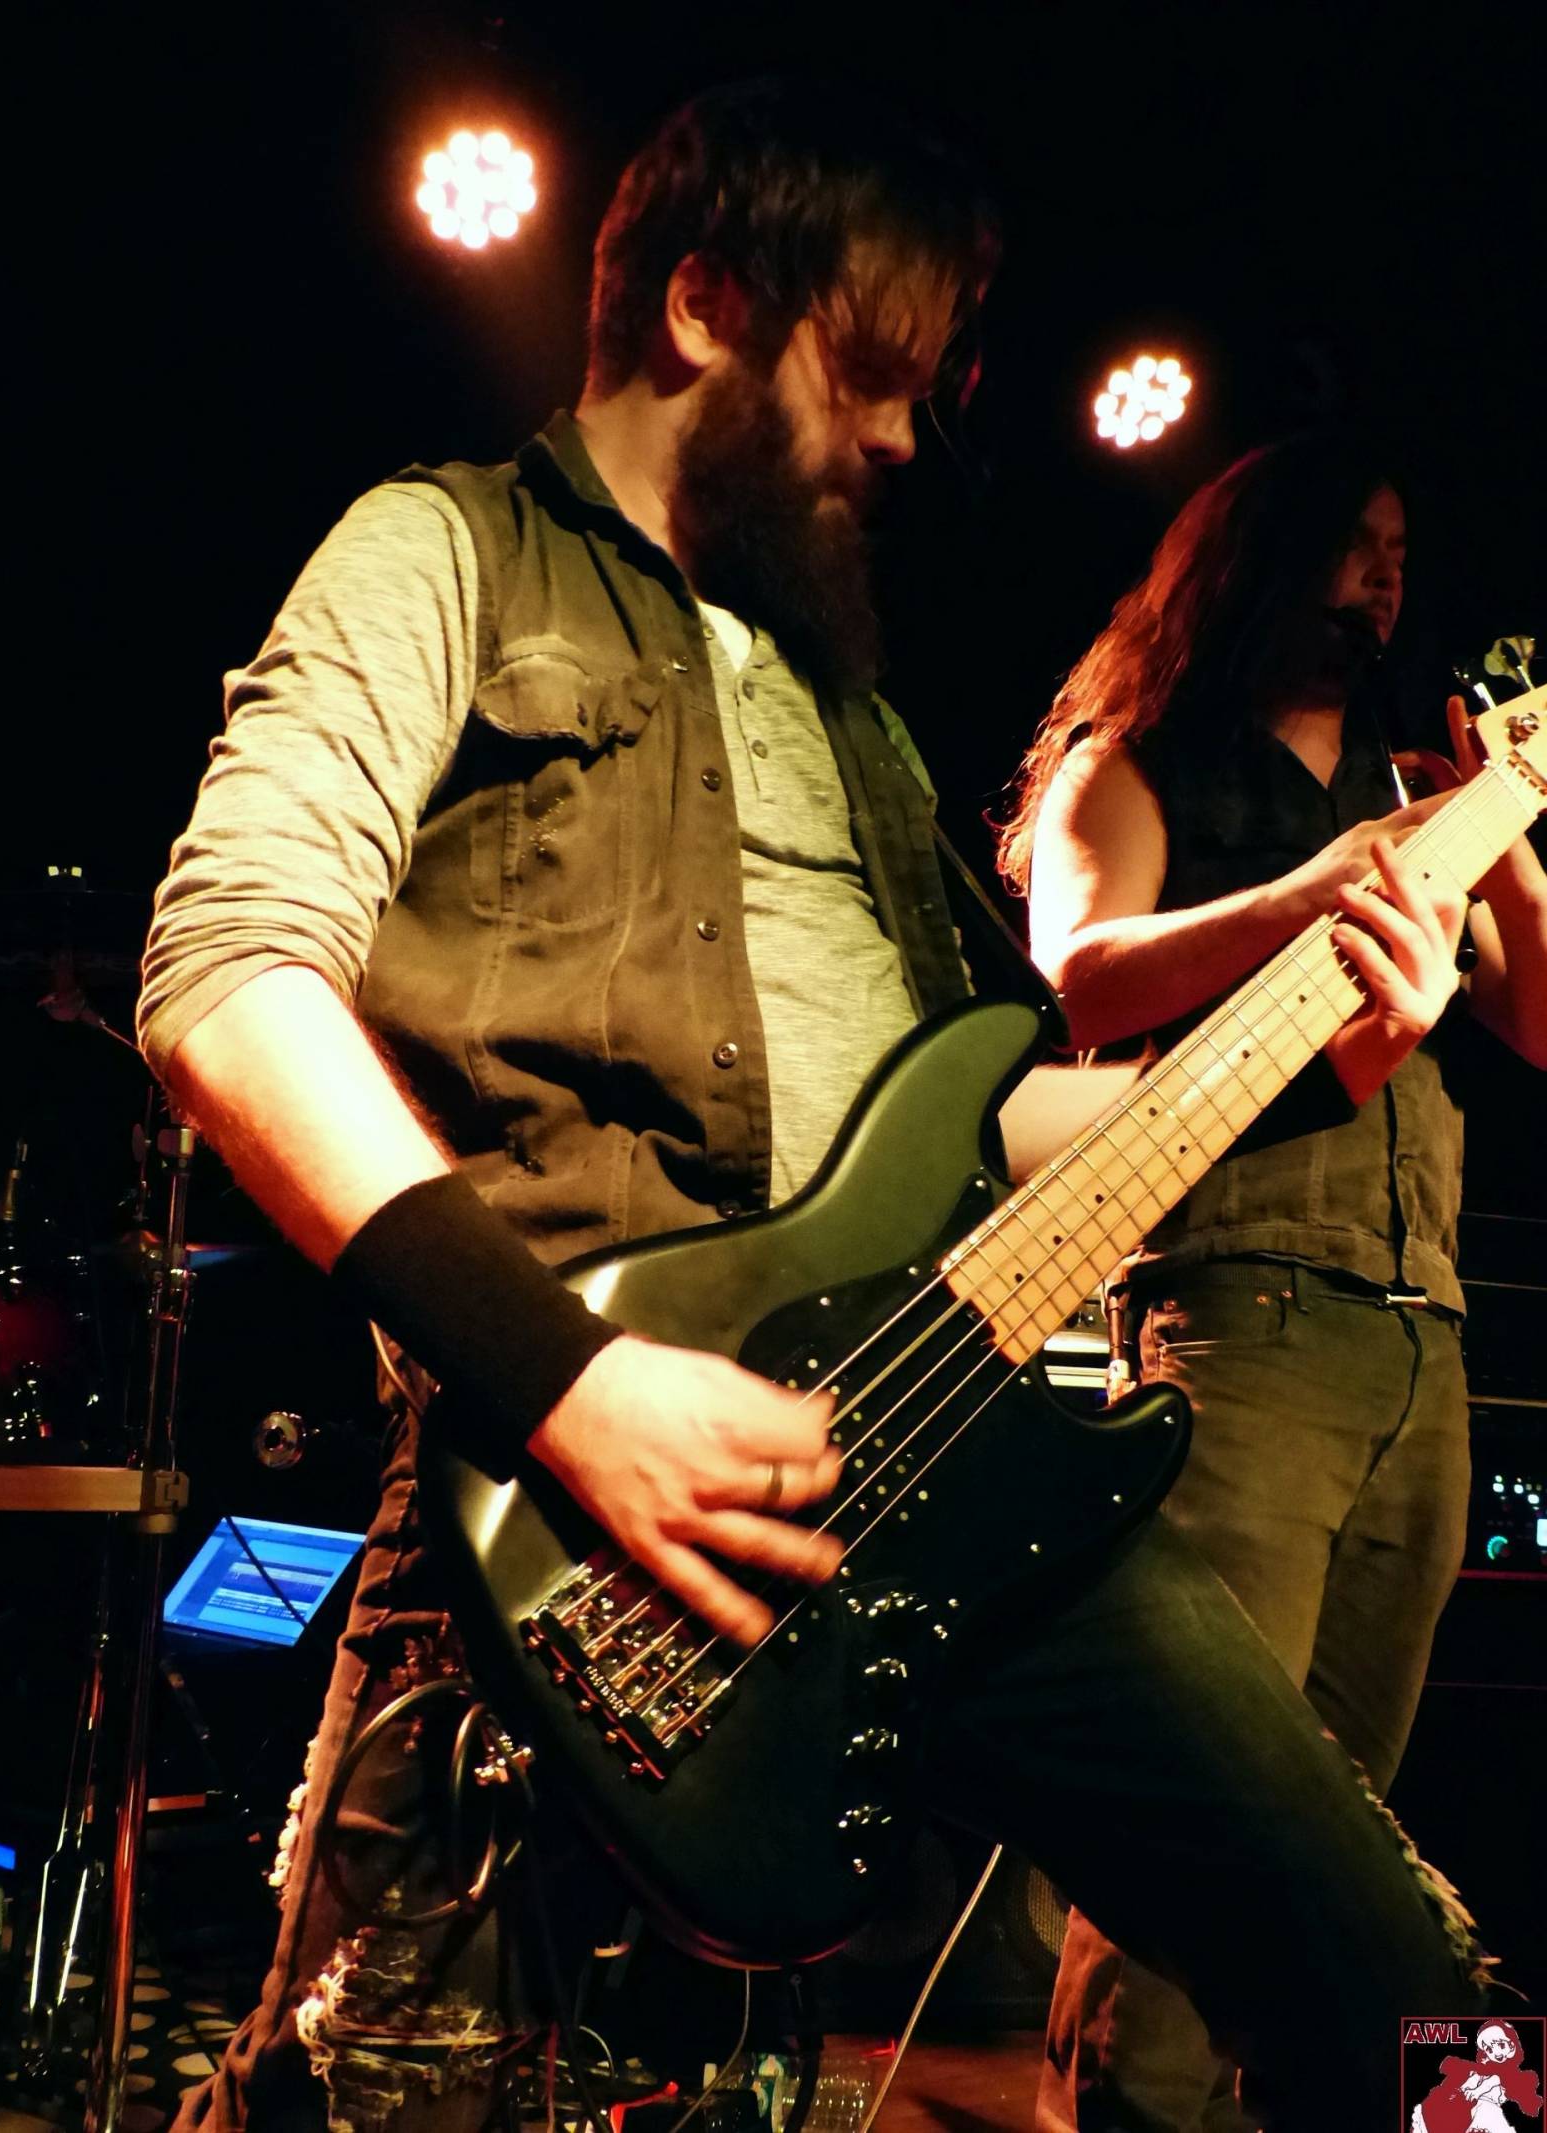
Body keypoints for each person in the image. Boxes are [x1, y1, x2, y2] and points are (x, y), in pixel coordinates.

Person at [139, 89, 1489, 2133]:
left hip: (930, 1456)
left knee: (1415, 2005)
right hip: (554, 1507)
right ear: (703, 307)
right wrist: (572, 1380)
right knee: (383, 2093)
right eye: (869, 372)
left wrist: (1312, 1036)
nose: (903, 438)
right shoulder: (448, 552)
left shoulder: (852, 713)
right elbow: (228, 978)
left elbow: (984, 1131)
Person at [1002, 434, 1547, 2133]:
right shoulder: (1137, 757)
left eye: (1401, 549)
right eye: (1354, 542)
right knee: (1193, 1814)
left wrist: (1506, 817)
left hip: (1421, 1338)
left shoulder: (1416, 782)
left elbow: (1539, 1018)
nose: (1387, 575)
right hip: (1237, 1315)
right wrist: (1304, 894)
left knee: (1337, 1827)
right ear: (1259, 555)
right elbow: (1082, 973)